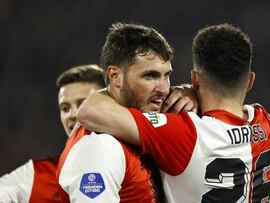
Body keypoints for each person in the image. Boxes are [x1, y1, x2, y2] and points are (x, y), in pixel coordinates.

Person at [78, 23, 270, 203]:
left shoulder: (182, 133)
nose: (162, 88)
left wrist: (190, 90)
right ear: (250, 81)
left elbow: (89, 111)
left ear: (195, 78)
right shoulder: (264, 121)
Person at [57, 22, 197, 203]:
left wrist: (191, 92)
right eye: (151, 76)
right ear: (115, 76)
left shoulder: (140, 124)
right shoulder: (99, 148)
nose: (163, 88)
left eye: (166, 75)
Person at [0, 64, 105, 202]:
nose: (72, 114)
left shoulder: (137, 166)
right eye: (65, 108)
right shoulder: (38, 175)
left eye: (82, 103)